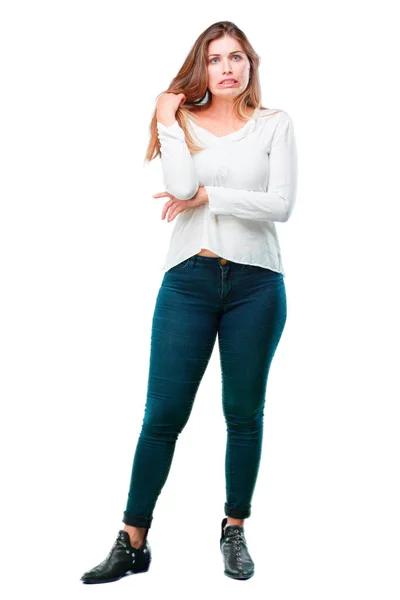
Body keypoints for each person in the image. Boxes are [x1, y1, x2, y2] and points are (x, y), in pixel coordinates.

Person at [81, 19, 298, 584]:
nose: (227, 68)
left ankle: (234, 530)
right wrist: (163, 116)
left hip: (257, 285)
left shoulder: (275, 125)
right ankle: (132, 541)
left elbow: (280, 206)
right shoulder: (182, 123)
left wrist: (211, 196)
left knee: (243, 415)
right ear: (202, 68)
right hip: (188, 282)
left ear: (251, 65)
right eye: (216, 59)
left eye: (236, 57)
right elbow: (179, 189)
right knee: (162, 417)